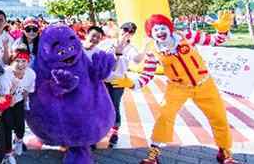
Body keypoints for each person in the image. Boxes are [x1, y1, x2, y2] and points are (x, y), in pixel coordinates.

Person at [113, 12, 241, 164]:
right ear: (151, 34)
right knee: (165, 115)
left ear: (169, 27)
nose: (160, 32)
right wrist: (132, 84)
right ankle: (153, 154)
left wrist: (222, 30)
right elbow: (147, 74)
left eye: (162, 28)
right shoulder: (153, 51)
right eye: (155, 30)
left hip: (205, 84)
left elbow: (217, 40)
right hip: (177, 87)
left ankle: (225, 152)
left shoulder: (186, 35)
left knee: (219, 117)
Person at [96, 22, 145, 148]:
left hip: (118, 82)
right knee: (99, 105)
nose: (127, 32)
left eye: (131, 31)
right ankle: (98, 131)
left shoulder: (130, 48)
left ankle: (114, 132)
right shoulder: (107, 43)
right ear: (120, 29)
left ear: (133, 34)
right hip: (102, 80)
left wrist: (145, 48)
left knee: (114, 106)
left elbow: (137, 59)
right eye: (125, 29)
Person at [0, 44, 35, 164]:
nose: (20, 64)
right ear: (11, 62)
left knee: (20, 126)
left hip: (18, 101)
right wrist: (14, 85)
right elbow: (7, 97)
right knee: (7, 127)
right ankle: (8, 154)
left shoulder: (31, 74)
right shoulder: (6, 74)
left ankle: (18, 141)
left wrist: (25, 102)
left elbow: (28, 90)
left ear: (28, 62)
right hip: (5, 102)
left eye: (24, 61)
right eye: (17, 61)